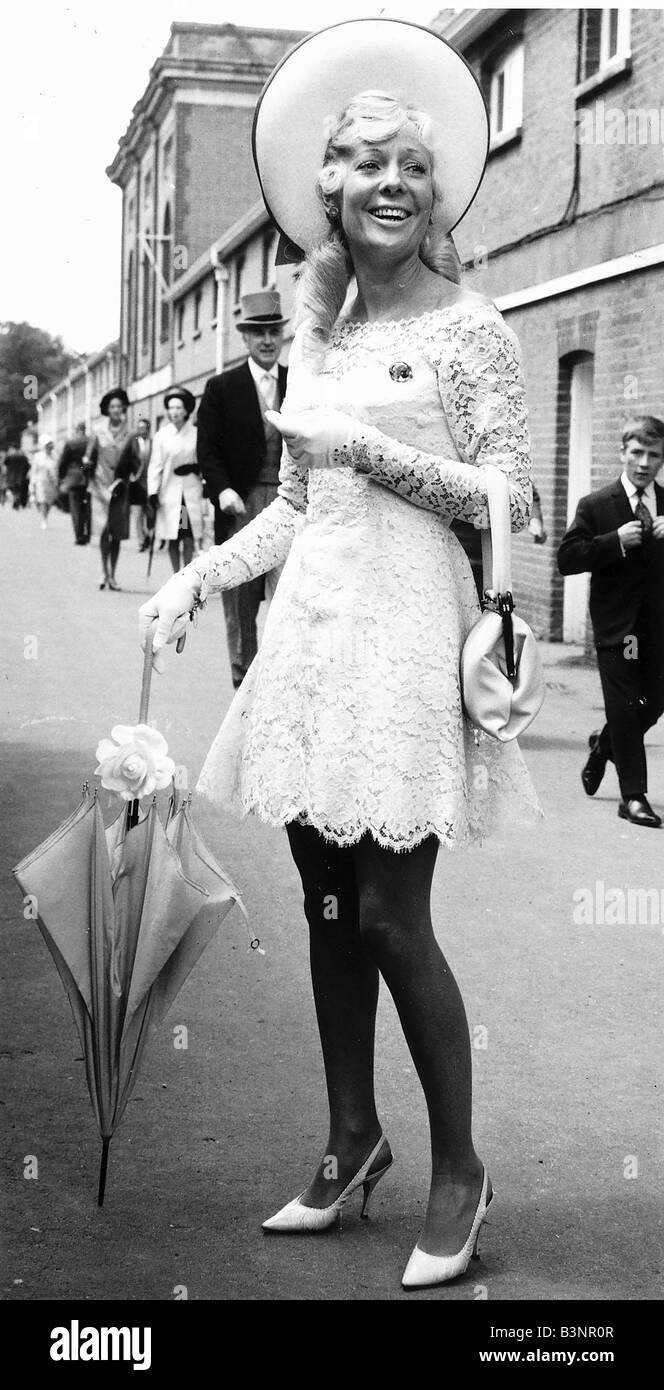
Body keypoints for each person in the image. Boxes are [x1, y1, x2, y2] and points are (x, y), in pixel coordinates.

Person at [139, 20, 539, 1290]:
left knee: (388, 915)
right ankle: (350, 1138)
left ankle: (460, 1169)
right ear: (329, 191)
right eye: (364, 165)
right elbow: (301, 509)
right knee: (324, 908)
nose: (388, 184)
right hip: (311, 640)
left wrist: (372, 452)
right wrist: (197, 578)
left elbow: (511, 500)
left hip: (409, 646)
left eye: (409, 166)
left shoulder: (476, 329)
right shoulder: (314, 332)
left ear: (435, 192)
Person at [558, 414, 664, 828]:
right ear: (622, 453)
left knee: (652, 703)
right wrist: (612, 542)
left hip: (657, 629)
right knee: (623, 705)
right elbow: (567, 559)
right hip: (616, 628)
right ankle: (633, 796)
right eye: (636, 452)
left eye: (653, 455)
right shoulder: (596, 505)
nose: (643, 462)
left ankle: (604, 746)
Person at [196, 291, 289, 689]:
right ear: (246, 340)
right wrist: (223, 491)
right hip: (241, 506)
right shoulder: (222, 387)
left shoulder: (299, 381)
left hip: (291, 503)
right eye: (258, 334)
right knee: (241, 598)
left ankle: (284, 683)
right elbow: (207, 450)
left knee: (290, 596)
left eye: (273, 332)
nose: (267, 341)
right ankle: (244, 682)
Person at [147, 388, 204, 574]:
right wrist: (152, 492)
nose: (175, 412)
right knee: (172, 535)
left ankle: (186, 573)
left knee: (187, 535)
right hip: (169, 492)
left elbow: (204, 460)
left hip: (188, 493)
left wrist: (195, 468)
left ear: (187, 410)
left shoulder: (196, 434)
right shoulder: (161, 436)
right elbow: (155, 466)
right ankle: (175, 574)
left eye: (179, 407)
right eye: (171, 407)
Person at [87, 388, 131, 590]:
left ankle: (113, 574)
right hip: (100, 488)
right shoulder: (97, 431)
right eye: (112, 406)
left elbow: (136, 461)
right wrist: (86, 468)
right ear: (107, 409)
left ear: (123, 409)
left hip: (120, 488)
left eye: (119, 406)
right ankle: (104, 572)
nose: (116, 409)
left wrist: (127, 478)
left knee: (117, 532)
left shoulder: (130, 433)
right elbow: (88, 459)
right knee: (104, 530)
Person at [117, 416, 152, 551]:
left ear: (148, 429)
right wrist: (128, 476)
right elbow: (124, 460)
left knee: (150, 514)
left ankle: (148, 533)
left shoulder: (154, 443)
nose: (141, 431)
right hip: (136, 484)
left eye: (143, 428)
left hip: (150, 484)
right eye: (139, 428)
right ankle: (141, 541)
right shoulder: (132, 443)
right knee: (137, 515)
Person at [58, 422, 91, 544]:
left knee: (76, 508)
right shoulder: (91, 442)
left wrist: (61, 476)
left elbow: (63, 461)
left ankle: (79, 536)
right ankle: (87, 535)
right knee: (87, 508)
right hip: (88, 478)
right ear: (85, 429)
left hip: (73, 479)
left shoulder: (71, 442)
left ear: (77, 430)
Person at [30, 435, 59, 528]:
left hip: (52, 482)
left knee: (49, 502)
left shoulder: (55, 457)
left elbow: (57, 469)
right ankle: (44, 519)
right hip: (41, 481)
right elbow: (34, 470)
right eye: (47, 446)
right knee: (43, 500)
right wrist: (32, 483)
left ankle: (46, 515)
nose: (49, 448)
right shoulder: (38, 456)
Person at [4, 444, 30, 509]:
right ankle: (17, 498)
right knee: (19, 490)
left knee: (13, 489)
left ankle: (16, 498)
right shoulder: (23, 456)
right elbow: (28, 466)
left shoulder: (10, 456)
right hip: (21, 477)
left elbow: (5, 463)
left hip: (11, 477)